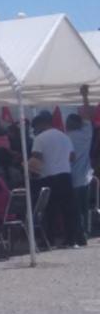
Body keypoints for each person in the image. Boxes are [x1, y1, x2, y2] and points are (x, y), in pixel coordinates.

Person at [31, 110, 84, 247]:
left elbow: (36, 158)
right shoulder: (64, 136)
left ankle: (48, 240)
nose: (35, 130)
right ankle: (71, 239)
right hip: (65, 175)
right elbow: (72, 157)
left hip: (48, 177)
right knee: (68, 209)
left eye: (35, 127)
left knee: (50, 211)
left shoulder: (39, 139)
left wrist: (29, 168)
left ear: (41, 124)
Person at [68, 85, 95, 239]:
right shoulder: (87, 134)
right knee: (84, 208)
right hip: (86, 178)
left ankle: (80, 233)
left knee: (76, 209)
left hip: (73, 179)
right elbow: (87, 115)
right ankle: (85, 232)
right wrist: (85, 95)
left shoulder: (67, 137)